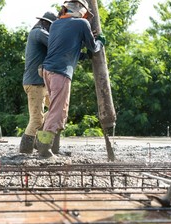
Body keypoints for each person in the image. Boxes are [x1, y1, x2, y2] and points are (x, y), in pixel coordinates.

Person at [36, 0, 104, 159]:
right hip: (60, 72)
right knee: (57, 111)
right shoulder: (81, 23)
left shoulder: (55, 25)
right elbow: (93, 47)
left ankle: (54, 147)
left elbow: (64, 48)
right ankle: (44, 148)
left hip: (48, 70)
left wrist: (81, 53)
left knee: (59, 110)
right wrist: (100, 41)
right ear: (82, 11)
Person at [19, 11, 57, 154]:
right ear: (45, 23)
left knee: (55, 111)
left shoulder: (38, 33)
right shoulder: (39, 33)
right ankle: (25, 149)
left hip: (41, 83)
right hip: (35, 84)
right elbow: (56, 44)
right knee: (36, 120)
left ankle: (38, 142)